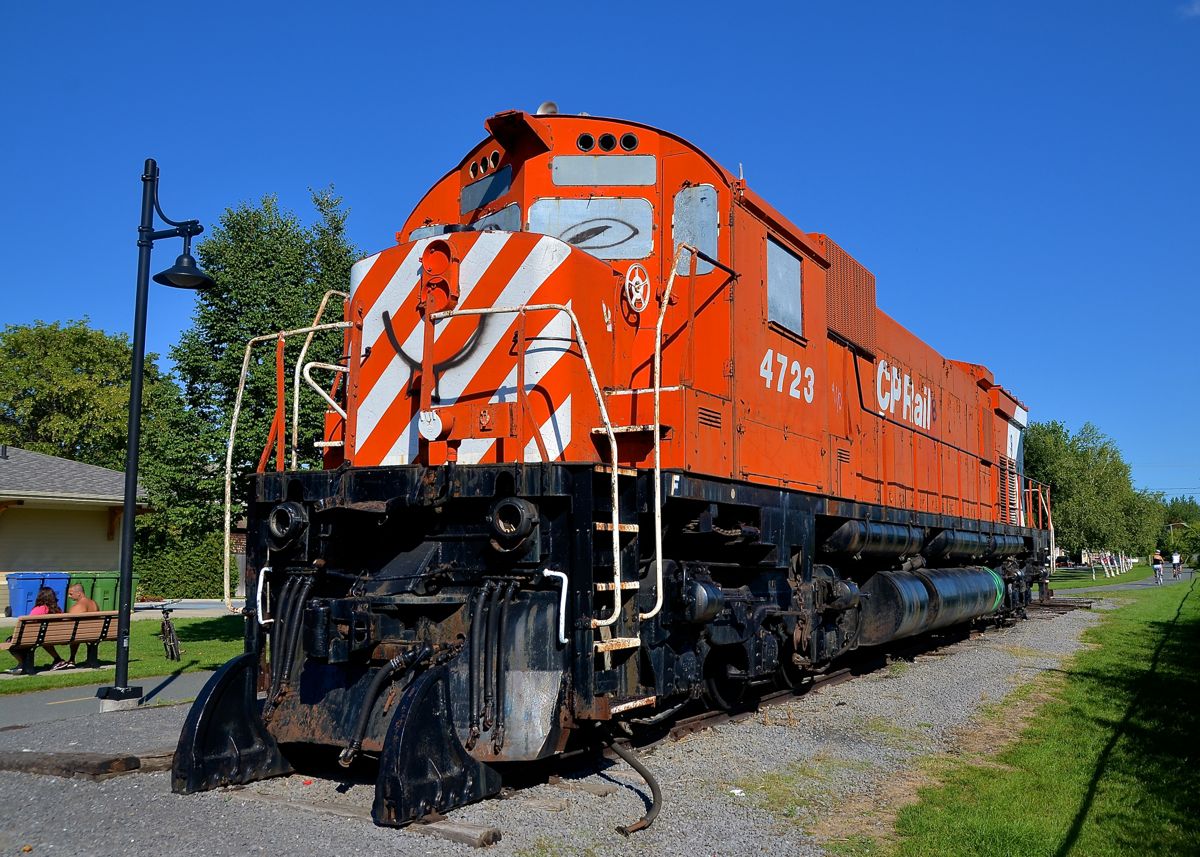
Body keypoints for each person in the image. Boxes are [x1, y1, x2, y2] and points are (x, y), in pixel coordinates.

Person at [4, 586, 69, 672]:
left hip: (36, 637)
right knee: (43, 638)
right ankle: (58, 660)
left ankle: (22, 664)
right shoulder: (58, 610)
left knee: (10, 641)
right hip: (52, 637)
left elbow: (29, 625)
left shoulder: (39, 610)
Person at [63, 583, 99, 668]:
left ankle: (71, 659)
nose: (69, 596)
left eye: (71, 594)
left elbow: (69, 623)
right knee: (78, 632)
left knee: (75, 633)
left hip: (81, 634)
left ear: (79, 593)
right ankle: (90, 659)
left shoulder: (78, 606)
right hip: (95, 633)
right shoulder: (93, 603)